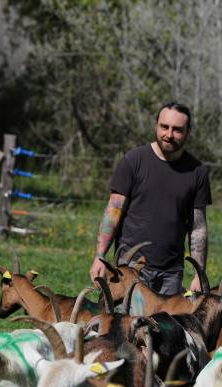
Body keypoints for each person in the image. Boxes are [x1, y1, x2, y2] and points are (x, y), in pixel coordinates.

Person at [88, 102, 211, 296]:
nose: (169, 134)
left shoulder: (197, 172)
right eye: (164, 127)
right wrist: (99, 257)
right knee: (127, 325)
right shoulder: (134, 161)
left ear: (188, 132)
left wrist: (199, 273)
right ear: (156, 126)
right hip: (130, 269)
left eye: (177, 130)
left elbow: (198, 228)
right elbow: (112, 213)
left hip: (171, 274)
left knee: (165, 325)